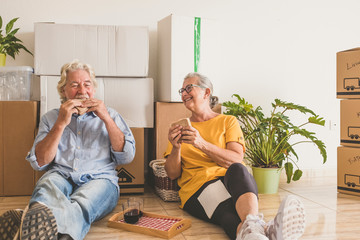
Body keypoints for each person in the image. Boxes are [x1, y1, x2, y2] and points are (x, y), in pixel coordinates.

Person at [0, 60, 135, 240]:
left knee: (82, 203)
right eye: (74, 85)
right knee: (46, 189)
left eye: (87, 84)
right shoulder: (51, 118)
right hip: (61, 175)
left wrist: (106, 119)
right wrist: (61, 123)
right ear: (63, 91)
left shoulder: (110, 114)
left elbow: (127, 156)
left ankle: (27, 229)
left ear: (93, 89)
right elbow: (40, 162)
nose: (82, 90)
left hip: (101, 179)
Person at [164, 72, 306, 240]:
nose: (184, 94)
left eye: (189, 88)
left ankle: (253, 232)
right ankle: (266, 231)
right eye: (182, 90)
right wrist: (175, 148)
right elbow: (172, 174)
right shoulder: (180, 130)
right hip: (197, 187)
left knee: (238, 169)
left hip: (232, 181)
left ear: (206, 92)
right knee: (226, 210)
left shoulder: (227, 121)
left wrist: (200, 143)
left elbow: (236, 159)